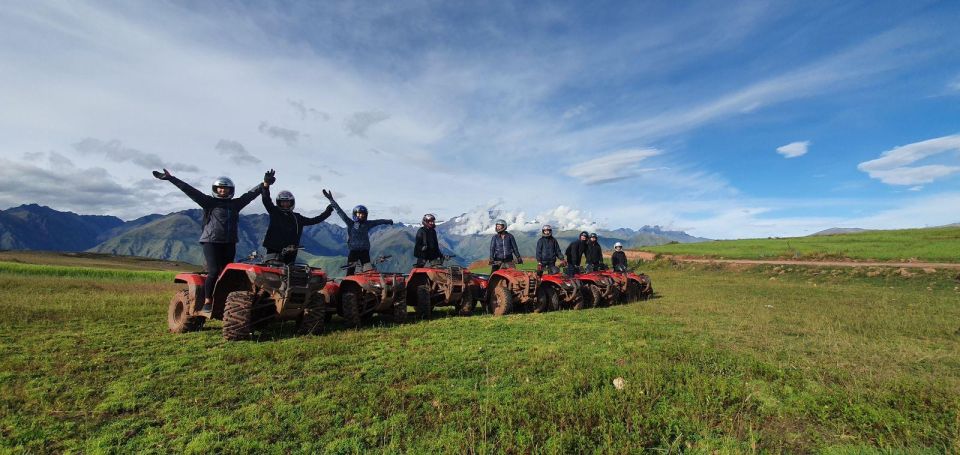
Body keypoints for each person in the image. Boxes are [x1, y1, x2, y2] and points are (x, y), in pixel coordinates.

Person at [153, 168, 263, 313]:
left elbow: (250, 195)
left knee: (226, 273)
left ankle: (224, 300)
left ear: (231, 191)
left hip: (229, 242)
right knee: (213, 271)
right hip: (211, 241)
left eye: (225, 189)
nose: (223, 191)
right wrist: (171, 178)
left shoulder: (235, 205)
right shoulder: (209, 202)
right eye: (220, 188)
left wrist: (264, 184)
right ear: (215, 189)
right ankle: (207, 301)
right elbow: (190, 190)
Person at [261, 169, 334, 264]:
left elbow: (314, 220)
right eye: (282, 202)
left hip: (291, 251)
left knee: (289, 275)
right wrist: (266, 184)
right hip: (273, 250)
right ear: (279, 203)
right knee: (271, 273)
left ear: (292, 203)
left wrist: (327, 212)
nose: (285, 205)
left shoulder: (297, 218)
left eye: (287, 202)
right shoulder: (274, 211)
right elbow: (266, 199)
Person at [322, 189, 393, 275]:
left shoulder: (368, 224)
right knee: (350, 273)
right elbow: (340, 212)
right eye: (359, 214)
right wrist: (331, 199)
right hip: (354, 252)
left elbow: (379, 221)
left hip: (364, 252)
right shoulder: (350, 223)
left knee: (369, 273)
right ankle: (348, 287)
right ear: (355, 214)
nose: (361, 216)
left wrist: (389, 221)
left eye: (363, 214)